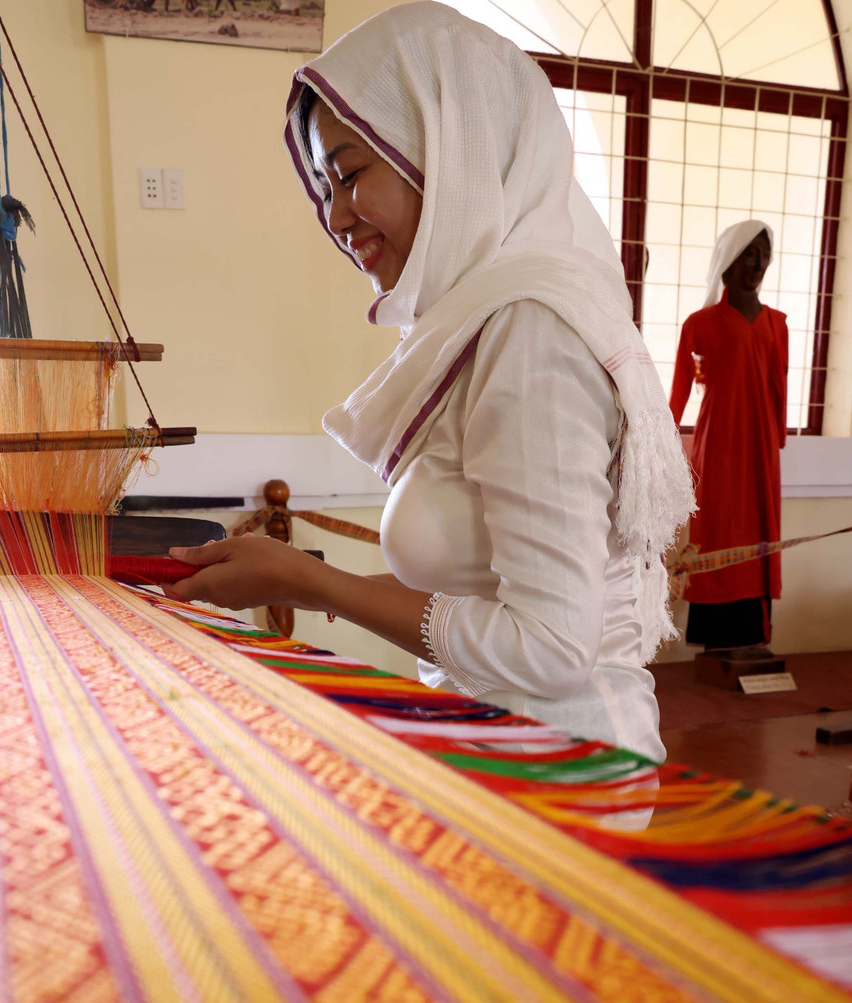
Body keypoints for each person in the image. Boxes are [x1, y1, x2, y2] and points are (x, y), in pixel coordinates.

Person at [167, 2, 693, 763]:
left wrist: (313, 585)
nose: (336, 215)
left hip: (561, 776)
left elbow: (549, 648)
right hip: (500, 747)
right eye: (324, 186)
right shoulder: (487, 322)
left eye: (350, 175)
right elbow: (491, 587)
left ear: (445, 149)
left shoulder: (528, 332)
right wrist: (297, 575)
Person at [669, 221, 788, 650]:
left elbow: (778, 388)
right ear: (728, 259)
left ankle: (754, 637)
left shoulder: (777, 325)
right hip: (717, 447)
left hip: (760, 452)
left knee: (758, 534)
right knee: (718, 531)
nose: (757, 262)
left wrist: (774, 445)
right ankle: (717, 638)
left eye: (763, 253)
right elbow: (681, 390)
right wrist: (658, 445)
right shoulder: (700, 324)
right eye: (748, 253)